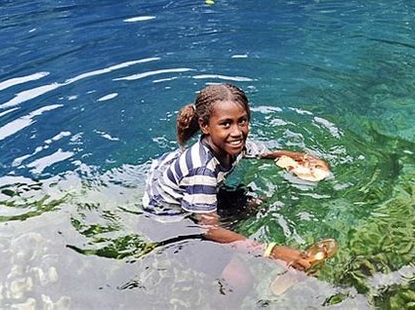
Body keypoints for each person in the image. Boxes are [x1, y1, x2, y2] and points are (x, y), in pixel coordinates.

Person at [142, 83, 334, 282]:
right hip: (168, 220)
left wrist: (301, 158)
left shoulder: (231, 143)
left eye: (242, 121)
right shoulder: (202, 171)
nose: (237, 132)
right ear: (204, 126)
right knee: (241, 280)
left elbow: (264, 153)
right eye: (226, 124)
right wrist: (272, 251)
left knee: (256, 205)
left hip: (188, 190)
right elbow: (209, 230)